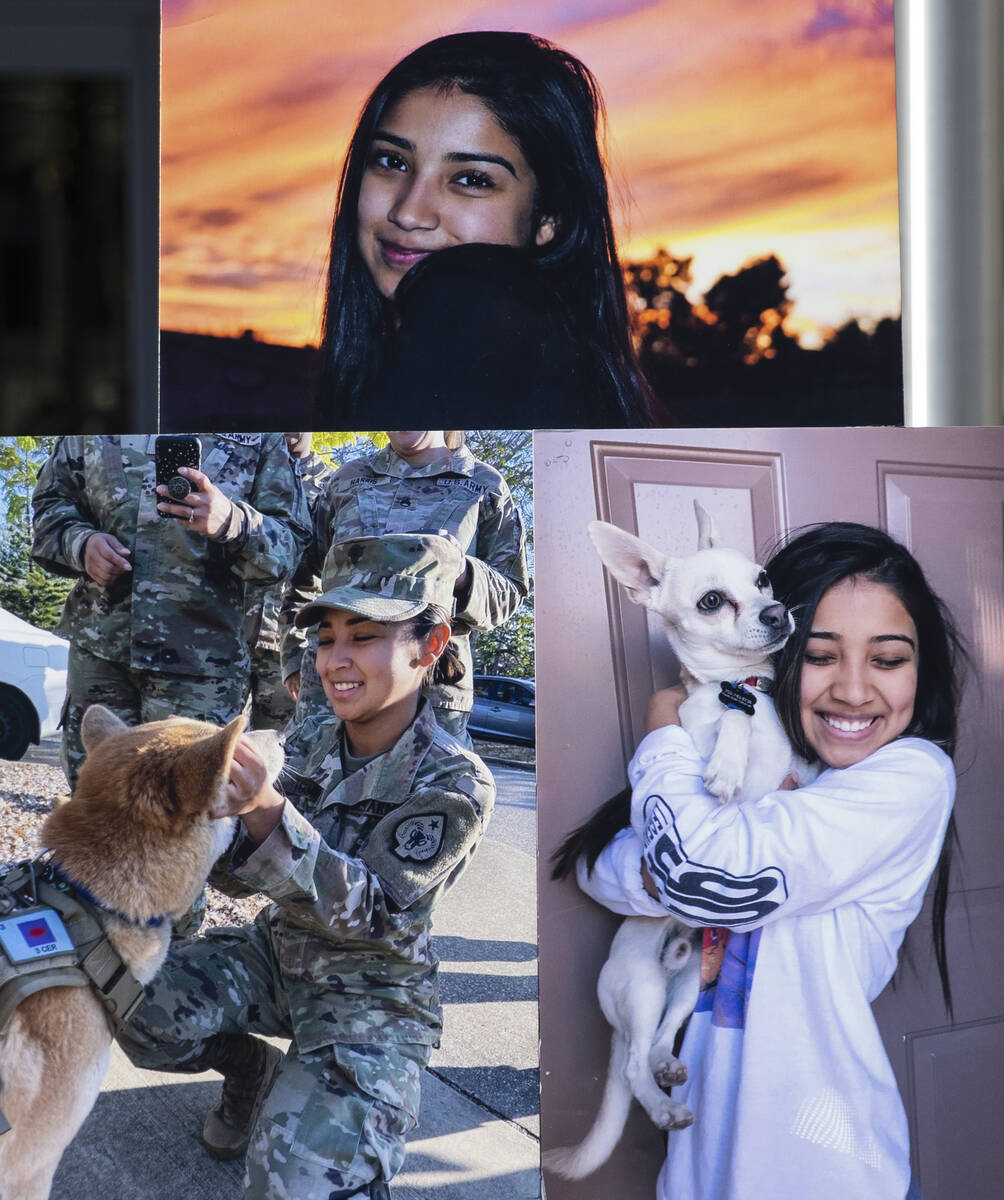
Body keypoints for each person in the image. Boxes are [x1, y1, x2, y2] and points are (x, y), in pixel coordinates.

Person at [573, 523, 964, 1200]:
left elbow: (697, 878)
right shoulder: (770, 753)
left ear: (921, 669)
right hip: (698, 1177)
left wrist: (664, 723)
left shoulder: (910, 779)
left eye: (888, 659)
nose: (851, 688)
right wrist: (662, 866)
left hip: (836, 1179)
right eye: (821, 654)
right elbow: (595, 867)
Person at [116, 532, 497, 1200]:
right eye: (326, 639)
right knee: (127, 1002)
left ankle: (351, 1134)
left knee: (295, 1185)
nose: (336, 661)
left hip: (371, 1000)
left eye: (365, 636)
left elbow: (373, 913)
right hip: (281, 953)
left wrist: (264, 812)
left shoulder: (455, 782)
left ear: (430, 647)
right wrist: (200, 818)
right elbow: (242, 873)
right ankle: (253, 1078)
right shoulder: (315, 739)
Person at [315, 30, 656, 428]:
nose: (408, 213)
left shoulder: (479, 323)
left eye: (472, 179)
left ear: (550, 218)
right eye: (392, 161)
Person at [30, 434, 310, 787]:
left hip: (201, 671)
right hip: (100, 657)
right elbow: (50, 505)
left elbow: (291, 545)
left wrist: (232, 523)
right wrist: (81, 544)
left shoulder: (255, 426)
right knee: (95, 805)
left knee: (192, 813)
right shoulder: (99, 414)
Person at [280, 430, 528, 743]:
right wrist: (293, 659)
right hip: (333, 694)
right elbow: (301, 579)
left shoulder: (484, 485)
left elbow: (511, 593)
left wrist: (461, 571)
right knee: (318, 788)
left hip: (431, 692)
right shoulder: (347, 479)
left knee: (425, 791)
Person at [245, 433, 334, 730]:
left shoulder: (332, 486)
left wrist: (296, 655)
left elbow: (322, 578)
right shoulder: (244, 468)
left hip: (286, 647)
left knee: (277, 751)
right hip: (228, 635)